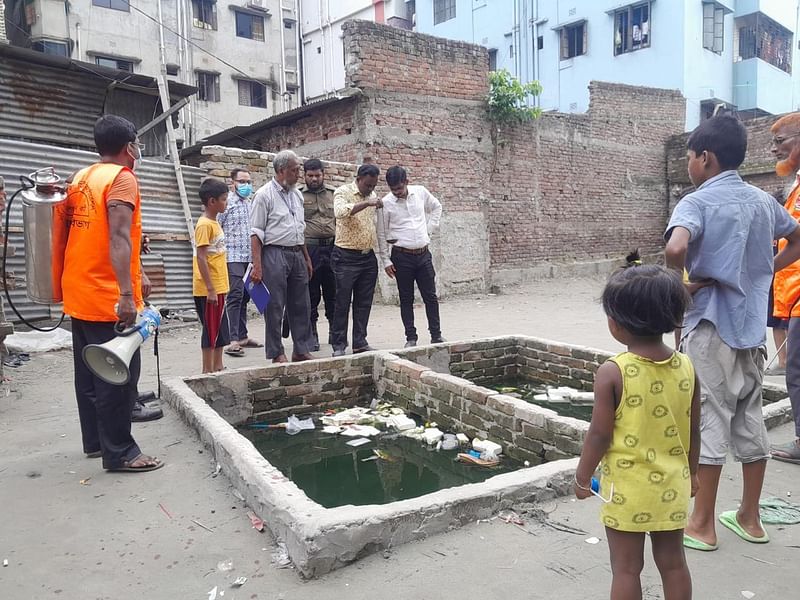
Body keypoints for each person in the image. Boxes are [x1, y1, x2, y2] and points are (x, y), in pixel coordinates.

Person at [665, 114, 800, 550]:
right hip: (750, 333)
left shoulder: (696, 202)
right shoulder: (763, 201)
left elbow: (675, 247)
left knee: (708, 420)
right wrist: (761, 272)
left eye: (690, 157)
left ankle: (702, 524)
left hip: (709, 327)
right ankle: (750, 516)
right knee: (749, 417)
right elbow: (797, 239)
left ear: (705, 158)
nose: (689, 164)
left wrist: (679, 286)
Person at [575, 255, 699, 600]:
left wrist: (582, 478)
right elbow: (694, 428)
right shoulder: (687, 366)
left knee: (627, 568)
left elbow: (598, 435)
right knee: (674, 563)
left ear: (617, 323)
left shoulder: (613, 371)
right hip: (673, 485)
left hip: (627, 490)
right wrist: (694, 474)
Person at [53, 115, 163, 472]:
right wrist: (127, 295)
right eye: (137, 145)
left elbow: (102, 235)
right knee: (116, 376)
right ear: (129, 146)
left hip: (79, 287)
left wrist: (140, 271)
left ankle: (96, 444)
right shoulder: (122, 179)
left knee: (87, 372)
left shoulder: (82, 177)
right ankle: (122, 453)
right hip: (106, 295)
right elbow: (116, 237)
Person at [249, 150, 315, 363]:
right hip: (274, 253)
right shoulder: (264, 195)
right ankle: (277, 352)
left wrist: (306, 257)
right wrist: (257, 266)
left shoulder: (296, 194)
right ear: (281, 171)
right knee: (274, 306)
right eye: (295, 170)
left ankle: (301, 349)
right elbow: (256, 233)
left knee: (301, 304)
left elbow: (300, 228)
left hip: (296, 252)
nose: (299, 174)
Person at [377, 166, 444, 347]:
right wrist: (385, 260)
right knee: (406, 299)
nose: (397, 192)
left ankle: (436, 335)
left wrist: (429, 230)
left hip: (423, 254)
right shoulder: (385, 203)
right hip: (401, 256)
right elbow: (381, 234)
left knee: (430, 296)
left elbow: (437, 207)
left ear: (406, 182)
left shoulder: (420, 192)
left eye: (399, 188)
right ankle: (411, 338)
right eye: (393, 190)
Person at [769, 113, 800, 463]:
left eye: (782, 142)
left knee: (797, 372)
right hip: (792, 298)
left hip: (799, 298)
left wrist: (764, 270)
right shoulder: (795, 187)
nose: (775, 149)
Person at [331, 164, 381, 357]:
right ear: (359, 179)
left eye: (373, 185)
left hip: (367, 256)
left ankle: (360, 342)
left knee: (364, 302)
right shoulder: (342, 192)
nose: (370, 189)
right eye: (368, 185)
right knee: (342, 302)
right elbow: (340, 212)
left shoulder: (372, 195)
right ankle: (339, 344)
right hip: (345, 256)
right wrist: (367, 203)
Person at [218, 168, 262, 357]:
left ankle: (243, 336)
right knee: (235, 296)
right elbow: (216, 228)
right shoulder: (226, 204)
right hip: (232, 256)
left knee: (245, 296)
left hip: (249, 258)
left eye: (249, 182)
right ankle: (232, 340)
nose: (246, 186)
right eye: (242, 182)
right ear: (233, 182)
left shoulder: (251, 203)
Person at [193, 178, 231, 374]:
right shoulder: (204, 225)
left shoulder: (214, 223)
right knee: (211, 329)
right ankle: (207, 370)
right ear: (211, 201)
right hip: (210, 288)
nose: (226, 203)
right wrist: (210, 289)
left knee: (220, 329)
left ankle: (218, 365)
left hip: (220, 285)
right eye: (224, 199)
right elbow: (201, 257)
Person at [299, 158, 337, 351]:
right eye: (310, 175)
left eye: (317, 175)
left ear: (323, 174)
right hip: (310, 250)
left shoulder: (333, 194)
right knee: (311, 293)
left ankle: (334, 332)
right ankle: (311, 334)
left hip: (332, 248)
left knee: (333, 291)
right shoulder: (298, 195)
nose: (314, 179)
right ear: (304, 175)